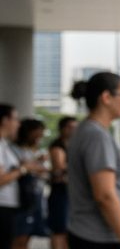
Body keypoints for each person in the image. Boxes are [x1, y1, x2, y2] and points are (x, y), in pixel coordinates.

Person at [68, 73, 120, 249]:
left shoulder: (86, 130)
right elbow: (105, 196)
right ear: (106, 97)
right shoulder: (96, 136)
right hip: (101, 238)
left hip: (90, 234)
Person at [0, 105, 45, 249]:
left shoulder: (4, 144)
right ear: (4, 120)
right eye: (14, 119)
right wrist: (24, 168)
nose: (18, 123)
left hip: (9, 204)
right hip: (3, 205)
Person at [12, 119, 49, 249]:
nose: (41, 135)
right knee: (19, 236)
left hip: (31, 197)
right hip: (21, 199)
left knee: (27, 234)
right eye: (38, 132)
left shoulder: (29, 150)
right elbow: (24, 167)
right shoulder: (12, 149)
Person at [48, 116, 78, 249]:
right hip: (60, 193)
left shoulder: (72, 145)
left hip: (69, 192)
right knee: (59, 230)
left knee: (67, 230)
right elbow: (60, 167)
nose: (74, 130)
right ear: (62, 129)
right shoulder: (57, 147)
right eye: (70, 127)